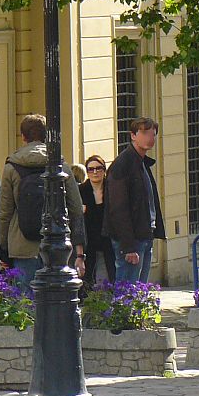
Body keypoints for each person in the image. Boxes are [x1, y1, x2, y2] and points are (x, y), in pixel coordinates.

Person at [0, 114, 86, 289]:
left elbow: (5, 212)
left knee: (25, 303)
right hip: (57, 245)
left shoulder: (12, 167)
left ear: (23, 137)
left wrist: (3, 248)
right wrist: (77, 246)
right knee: (57, 300)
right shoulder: (61, 165)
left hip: (22, 245)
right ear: (47, 136)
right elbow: (75, 207)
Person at [104, 117, 165, 283]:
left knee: (139, 291)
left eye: (153, 134)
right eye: (144, 133)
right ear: (133, 135)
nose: (150, 138)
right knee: (128, 292)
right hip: (132, 240)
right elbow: (118, 208)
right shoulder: (123, 164)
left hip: (145, 234)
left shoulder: (142, 163)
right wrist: (128, 246)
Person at [79, 155, 115, 289]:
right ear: (87, 172)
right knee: (90, 280)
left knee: (109, 277)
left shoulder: (112, 188)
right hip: (89, 241)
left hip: (110, 240)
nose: (95, 172)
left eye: (98, 168)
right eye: (91, 169)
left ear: (104, 170)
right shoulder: (81, 191)